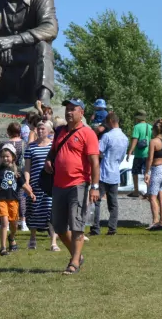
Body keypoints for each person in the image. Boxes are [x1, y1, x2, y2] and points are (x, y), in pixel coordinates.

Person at [42, 99, 100, 275]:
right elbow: (52, 152)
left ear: (81, 112)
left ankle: (74, 263)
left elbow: (94, 162)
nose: (68, 112)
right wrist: (48, 161)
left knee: (76, 225)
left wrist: (95, 186)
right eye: (67, 109)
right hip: (58, 185)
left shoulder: (88, 133)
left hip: (78, 185)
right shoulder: (60, 131)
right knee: (58, 227)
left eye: (73, 109)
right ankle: (77, 255)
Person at [0, 144, 35, 255]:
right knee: (4, 222)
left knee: (14, 224)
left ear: (13, 157)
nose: (5, 158)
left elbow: (24, 185)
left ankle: (11, 237)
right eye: (3, 156)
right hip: (1, 199)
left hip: (13, 200)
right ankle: (3, 248)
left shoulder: (17, 172)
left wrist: (30, 193)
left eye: (7, 156)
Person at [24, 120, 59, 250]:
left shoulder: (53, 147)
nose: (40, 131)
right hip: (35, 185)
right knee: (34, 211)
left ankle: (53, 242)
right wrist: (27, 183)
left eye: (43, 129)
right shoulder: (31, 147)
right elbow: (27, 168)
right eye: (38, 128)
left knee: (51, 211)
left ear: (49, 131)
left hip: (50, 185)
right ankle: (32, 238)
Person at [91, 112, 128, 236]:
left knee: (96, 201)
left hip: (103, 171)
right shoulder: (125, 138)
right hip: (115, 172)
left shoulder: (107, 136)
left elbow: (98, 152)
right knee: (113, 203)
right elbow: (122, 156)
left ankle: (95, 227)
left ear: (111, 121)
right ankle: (112, 228)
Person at [143, 118, 162, 230]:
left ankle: (155, 221)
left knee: (152, 197)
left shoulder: (153, 142)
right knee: (161, 196)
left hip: (156, 169)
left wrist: (147, 172)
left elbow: (150, 158)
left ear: (154, 130)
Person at [6, 122, 28, 231]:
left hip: (9, 171)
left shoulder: (6, 144)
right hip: (21, 171)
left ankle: (10, 220)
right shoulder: (24, 143)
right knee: (21, 196)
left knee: (9, 196)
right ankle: (23, 221)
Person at [125, 110, 151, 198]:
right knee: (147, 172)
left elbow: (135, 139)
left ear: (138, 118)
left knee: (135, 172)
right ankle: (149, 192)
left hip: (139, 154)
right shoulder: (150, 127)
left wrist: (130, 151)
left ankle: (136, 190)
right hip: (148, 154)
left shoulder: (137, 127)